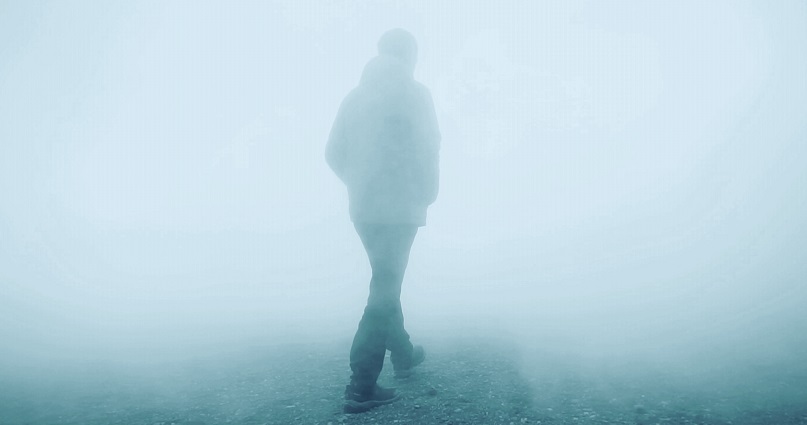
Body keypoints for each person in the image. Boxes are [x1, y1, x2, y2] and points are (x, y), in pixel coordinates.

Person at [325, 28, 441, 414]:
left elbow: (332, 152)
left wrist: (359, 183)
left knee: (386, 279)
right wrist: (427, 192)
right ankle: (361, 385)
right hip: (401, 208)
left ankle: (403, 353)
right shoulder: (416, 94)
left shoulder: (354, 98)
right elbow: (429, 146)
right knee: (386, 287)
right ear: (410, 55)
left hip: (364, 209)